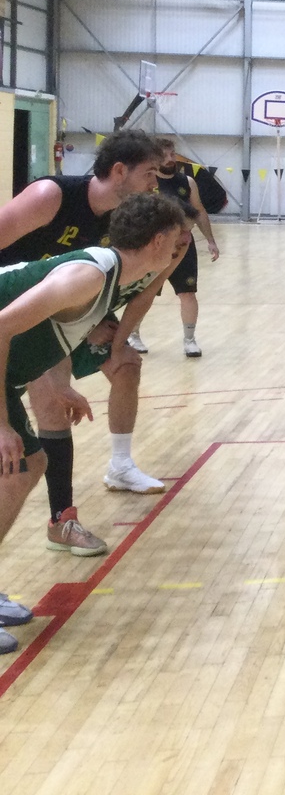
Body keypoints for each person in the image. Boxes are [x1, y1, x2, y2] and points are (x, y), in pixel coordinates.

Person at [0, 192, 189, 652]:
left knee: (27, 466)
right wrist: (1, 424)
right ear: (158, 239)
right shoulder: (88, 276)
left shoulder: (120, 277)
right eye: (177, 238)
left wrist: (55, 384)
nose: (181, 246)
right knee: (15, 470)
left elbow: (45, 330)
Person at [0, 129, 169, 556]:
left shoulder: (119, 231)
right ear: (119, 171)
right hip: (13, 308)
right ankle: (62, 520)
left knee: (119, 368)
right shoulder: (51, 196)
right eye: (150, 173)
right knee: (31, 442)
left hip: (44, 313)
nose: (155, 184)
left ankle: (104, 480)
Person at [124, 138, 221, 358]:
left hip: (183, 244)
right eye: (165, 155)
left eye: (172, 154)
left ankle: (190, 340)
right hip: (153, 246)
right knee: (144, 291)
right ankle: (133, 334)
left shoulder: (187, 182)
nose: (170, 158)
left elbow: (199, 211)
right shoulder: (148, 182)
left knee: (188, 292)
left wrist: (210, 240)